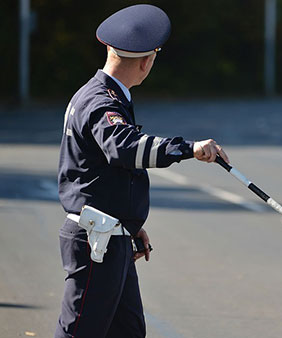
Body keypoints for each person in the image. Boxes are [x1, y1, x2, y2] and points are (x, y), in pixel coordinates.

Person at [55, 5, 228, 338]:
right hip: (97, 239)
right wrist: (187, 148)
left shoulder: (104, 95)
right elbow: (125, 149)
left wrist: (129, 224)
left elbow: (106, 169)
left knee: (128, 330)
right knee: (80, 331)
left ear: (109, 48)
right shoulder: (102, 101)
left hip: (111, 233)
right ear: (148, 61)